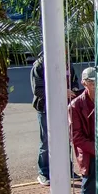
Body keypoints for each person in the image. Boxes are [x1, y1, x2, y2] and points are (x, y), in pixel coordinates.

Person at [30, 55, 80, 186]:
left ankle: (68, 170)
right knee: (46, 142)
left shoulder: (67, 63)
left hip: (64, 107)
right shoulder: (39, 65)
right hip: (46, 109)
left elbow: (74, 81)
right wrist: (62, 91)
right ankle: (44, 173)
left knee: (66, 139)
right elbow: (38, 90)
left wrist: (73, 90)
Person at [68, 68, 98, 194]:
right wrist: (97, 150)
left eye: (96, 82)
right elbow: (76, 137)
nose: (95, 86)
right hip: (90, 153)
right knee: (88, 187)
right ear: (84, 83)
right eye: (92, 83)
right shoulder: (76, 105)